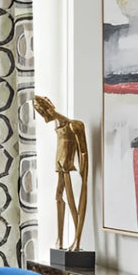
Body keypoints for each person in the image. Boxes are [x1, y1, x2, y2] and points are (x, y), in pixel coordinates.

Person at [32, 95, 89, 252]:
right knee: (58, 197)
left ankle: (77, 240)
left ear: (49, 108)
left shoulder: (74, 125)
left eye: (43, 112)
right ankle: (60, 238)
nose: (44, 117)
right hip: (59, 165)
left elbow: (83, 152)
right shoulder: (57, 125)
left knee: (71, 201)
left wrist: (83, 175)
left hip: (68, 167)